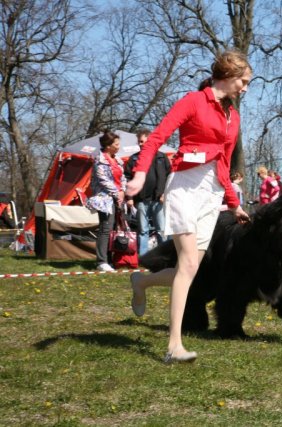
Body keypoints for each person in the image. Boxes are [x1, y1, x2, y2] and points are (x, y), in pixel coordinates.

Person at [125, 50, 252, 363]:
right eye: (244, 82)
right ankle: (173, 346)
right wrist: (140, 174)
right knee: (189, 267)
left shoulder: (233, 117)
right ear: (229, 74)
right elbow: (156, 138)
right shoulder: (193, 101)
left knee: (189, 270)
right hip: (184, 188)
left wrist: (233, 203)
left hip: (211, 195)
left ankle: (141, 281)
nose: (245, 88)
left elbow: (224, 161)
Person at [124, 129, 172, 256]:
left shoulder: (162, 157)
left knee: (161, 230)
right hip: (141, 200)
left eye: (142, 141)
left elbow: (169, 177)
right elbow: (127, 178)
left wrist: (164, 194)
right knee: (143, 230)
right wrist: (129, 197)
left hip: (159, 199)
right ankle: (143, 257)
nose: (140, 144)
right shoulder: (133, 159)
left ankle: (164, 257)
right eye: (138, 141)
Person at [86, 129, 126, 272]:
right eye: (116, 144)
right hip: (105, 200)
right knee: (105, 229)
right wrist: (116, 193)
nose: (118, 146)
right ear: (108, 145)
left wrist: (122, 191)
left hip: (117, 198)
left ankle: (111, 259)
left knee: (113, 229)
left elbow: (122, 178)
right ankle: (101, 261)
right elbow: (103, 180)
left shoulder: (118, 161)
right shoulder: (99, 160)